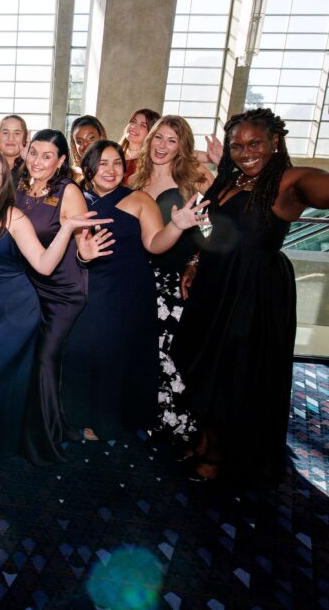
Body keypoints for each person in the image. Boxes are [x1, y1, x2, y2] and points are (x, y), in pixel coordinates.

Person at [173, 68, 329, 481]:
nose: (245, 152)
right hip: (215, 285)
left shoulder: (289, 182)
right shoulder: (228, 181)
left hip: (252, 291)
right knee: (204, 364)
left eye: (255, 143)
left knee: (233, 373)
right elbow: (214, 228)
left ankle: (220, 454)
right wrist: (195, 263)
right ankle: (206, 438)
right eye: (237, 145)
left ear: (275, 143)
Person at [0, 148, 108, 461]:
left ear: (3, 180)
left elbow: (44, 265)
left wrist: (66, 230)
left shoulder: (13, 216)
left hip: (14, 311)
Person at [63, 140, 207, 442]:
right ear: (88, 166)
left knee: (114, 354)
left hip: (127, 289)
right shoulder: (75, 197)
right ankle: (77, 415)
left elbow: (155, 244)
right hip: (86, 285)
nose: (111, 169)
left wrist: (177, 226)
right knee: (81, 351)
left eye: (117, 163)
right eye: (102, 163)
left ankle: (109, 421)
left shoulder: (139, 199)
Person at [129, 115, 214, 444]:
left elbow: (215, 228)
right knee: (141, 351)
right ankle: (144, 414)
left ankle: (176, 425)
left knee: (169, 355)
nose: (162, 146)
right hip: (137, 278)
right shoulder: (135, 179)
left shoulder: (193, 179)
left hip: (171, 284)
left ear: (181, 147)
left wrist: (195, 261)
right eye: (159, 137)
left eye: (171, 140)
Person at [15, 130, 94, 465]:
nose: (37, 161)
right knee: (30, 359)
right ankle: (53, 424)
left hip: (61, 291)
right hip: (27, 286)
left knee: (45, 359)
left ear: (61, 160)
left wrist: (87, 255)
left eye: (47, 156)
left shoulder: (68, 191)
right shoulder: (18, 186)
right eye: (33, 152)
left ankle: (42, 440)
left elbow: (84, 242)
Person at [119, 108, 160, 185]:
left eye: (143, 125)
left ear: (152, 133)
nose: (133, 126)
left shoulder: (152, 163)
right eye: (133, 121)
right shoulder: (114, 153)